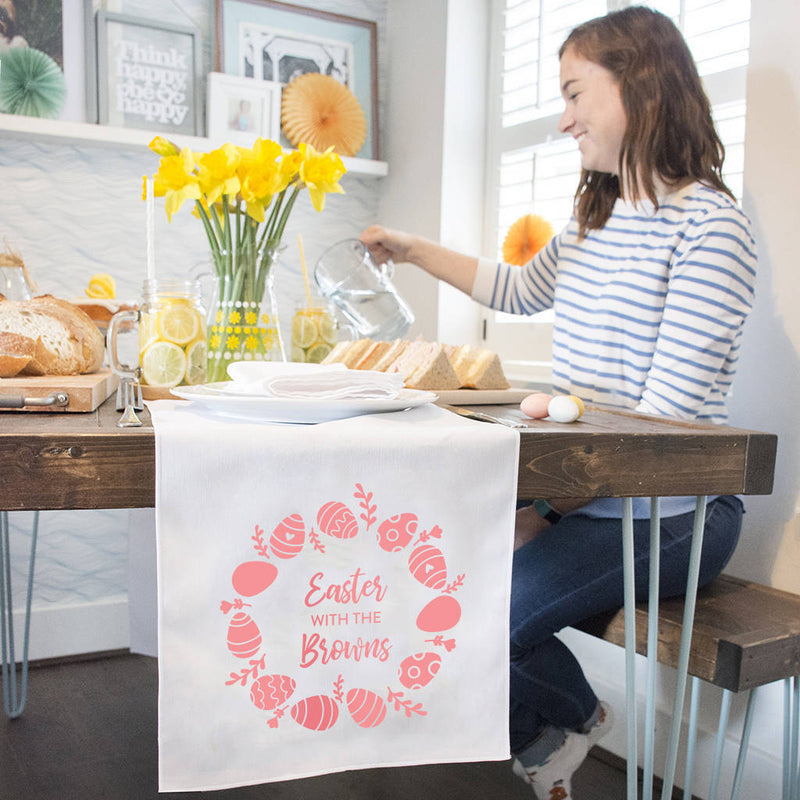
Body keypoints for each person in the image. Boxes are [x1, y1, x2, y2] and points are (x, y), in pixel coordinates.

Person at [360, 7, 756, 799]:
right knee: (430, 592)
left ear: (640, 86)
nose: (565, 117)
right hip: (590, 497)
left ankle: (561, 721)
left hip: (673, 515)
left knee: (477, 621)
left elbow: (656, 434)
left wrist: (541, 511)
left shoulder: (712, 229)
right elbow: (512, 287)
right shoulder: (592, 224)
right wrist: (410, 248)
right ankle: (561, 724)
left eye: (576, 93)